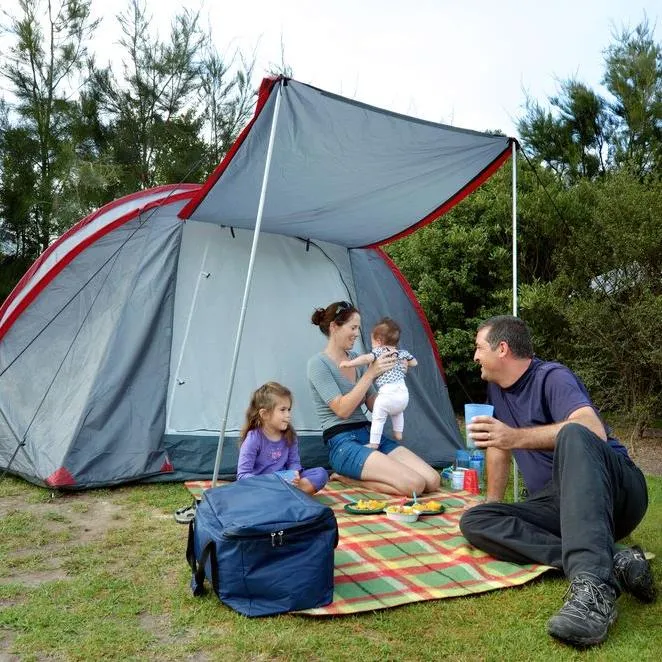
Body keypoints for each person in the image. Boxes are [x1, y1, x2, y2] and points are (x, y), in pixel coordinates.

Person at [459, 315, 656, 648]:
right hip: (559, 504)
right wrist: (493, 498)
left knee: (574, 433)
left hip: (616, 493)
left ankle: (593, 591)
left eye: (479, 347)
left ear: (502, 348)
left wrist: (514, 436)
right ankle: (616, 558)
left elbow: (591, 430)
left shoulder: (552, 377)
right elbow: (498, 444)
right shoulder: (495, 389)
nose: (475, 355)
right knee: (477, 519)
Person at [307, 300, 440, 496]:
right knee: (415, 486)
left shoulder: (357, 360)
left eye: (358, 328)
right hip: (343, 442)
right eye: (352, 327)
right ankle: (349, 479)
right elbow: (342, 410)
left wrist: (394, 382)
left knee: (432, 480)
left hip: (369, 435)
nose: (356, 334)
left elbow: (373, 403)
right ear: (335, 327)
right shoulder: (318, 364)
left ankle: (370, 475)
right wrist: (370, 374)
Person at [237, 382, 328, 495]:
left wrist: (294, 474)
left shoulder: (289, 435)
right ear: (264, 414)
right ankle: (289, 495)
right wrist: (270, 481)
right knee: (248, 487)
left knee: (321, 474)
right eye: (282, 410)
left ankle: (284, 495)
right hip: (263, 483)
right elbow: (243, 475)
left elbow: (294, 462)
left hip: (286, 482)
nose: (288, 415)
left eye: (289, 409)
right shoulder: (253, 439)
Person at [339, 317, 417, 449]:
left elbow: (365, 358)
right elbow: (415, 362)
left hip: (388, 395)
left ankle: (374, 443)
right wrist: (406, 363)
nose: (372, 345)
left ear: (379, 341)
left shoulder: (379, 351)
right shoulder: (401, 353)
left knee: (378, 417)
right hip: (404, 396)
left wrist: (349, 363)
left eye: (372, 342)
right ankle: (398, 432)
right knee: (397, 411)